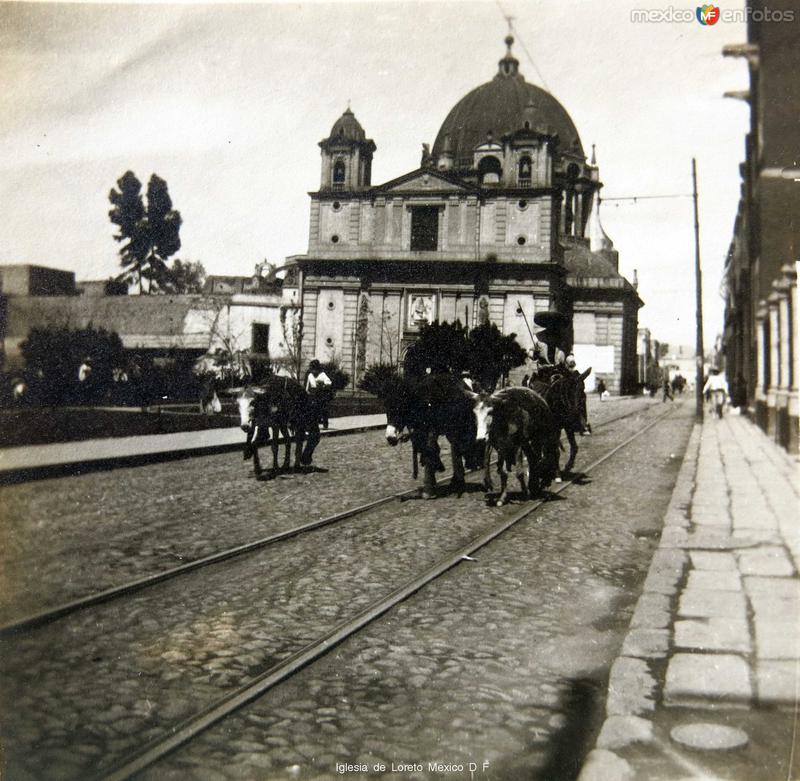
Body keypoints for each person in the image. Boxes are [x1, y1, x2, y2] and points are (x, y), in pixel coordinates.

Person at [306, 359, 333, 428]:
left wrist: (322, 385)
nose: (313, 371)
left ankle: (325, 423)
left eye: (315, 369)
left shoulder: (322, 375)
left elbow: (329, 383)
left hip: (321, 394)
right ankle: (312, 424)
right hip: (313, 394)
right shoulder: (310, 375)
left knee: (323, 409)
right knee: (312, 409)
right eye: (312, 369)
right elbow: (307, 385)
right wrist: (307, 392)